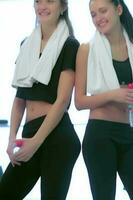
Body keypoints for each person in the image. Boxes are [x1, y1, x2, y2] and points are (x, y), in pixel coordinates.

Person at [0, 0, 80, 199]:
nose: (42, 6)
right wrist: (11, 138)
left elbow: (62, 101)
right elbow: (19, 98)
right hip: (30, 132)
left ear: (63, 7)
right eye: (38, 1)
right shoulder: (26, 44)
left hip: (57, 136)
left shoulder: (70, 45)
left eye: (50, 1)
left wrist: (36, 142)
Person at [75, 0, 133, 199]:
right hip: (100, 135)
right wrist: (113, 94)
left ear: (118, 9)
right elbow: (80, 102)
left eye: (103, 11)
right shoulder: (86, 49)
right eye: (93, 14)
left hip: (129, 133)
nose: (98, 18)